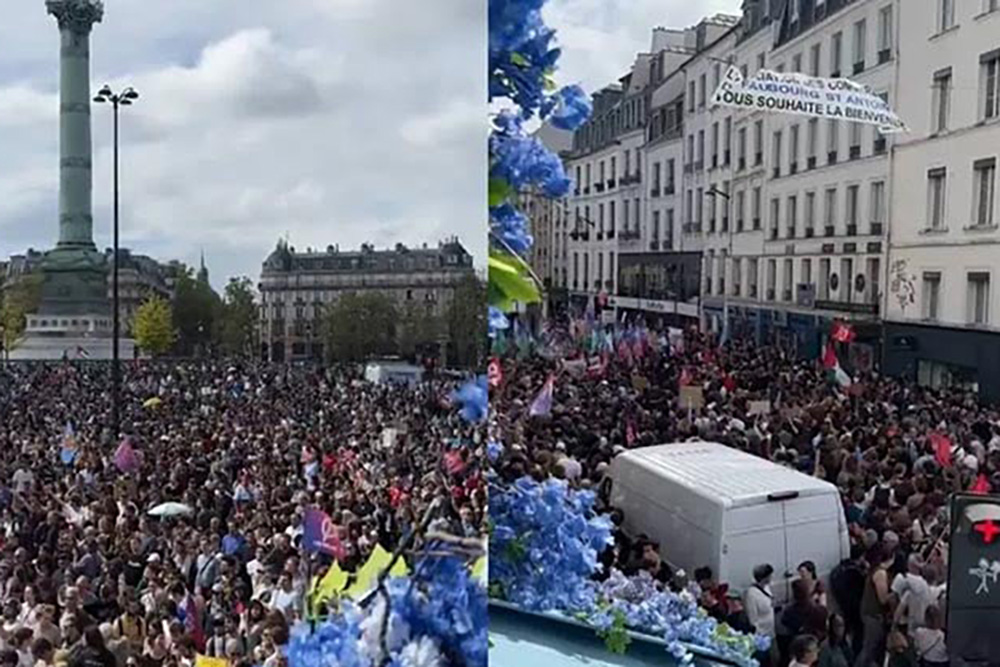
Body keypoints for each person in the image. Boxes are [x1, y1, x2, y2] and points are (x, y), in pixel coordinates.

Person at [855, 546, 894, 667]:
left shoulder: (873, 569)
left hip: (869, 613)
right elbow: (883, 599)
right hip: (874, 615)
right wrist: (896, 591)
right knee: (869, 649)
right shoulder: (880, 573)